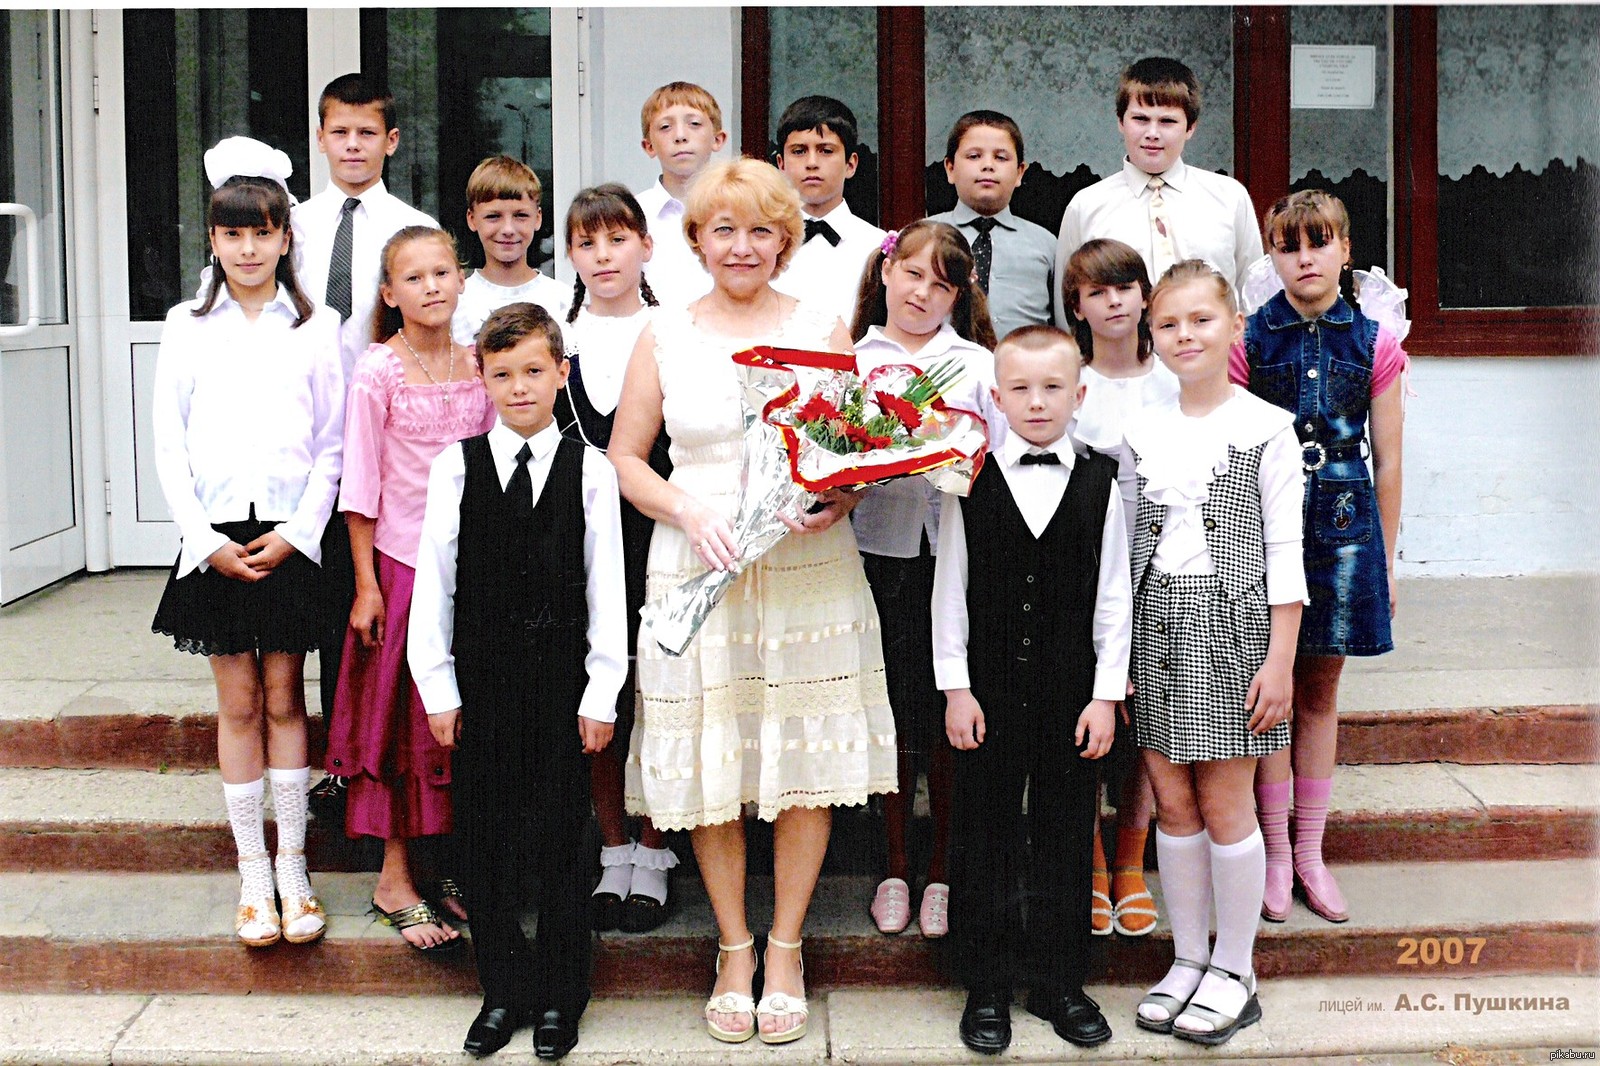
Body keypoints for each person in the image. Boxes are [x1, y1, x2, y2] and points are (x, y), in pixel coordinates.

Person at [609, 158, 896, 1046]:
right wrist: (686, 508)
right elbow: (625, 459)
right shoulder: (663, 331)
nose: (742, 246)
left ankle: (786, 948)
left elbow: (852, 453)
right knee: (712, 762)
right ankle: (733, 946)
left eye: (761, 230)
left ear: (786, 241)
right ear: (697, 240)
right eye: (724, 229)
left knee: (802, 756)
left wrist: (841, 499)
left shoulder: (820, 326)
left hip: (805, 570)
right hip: (697, 562)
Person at [409, 303, 627, 1060]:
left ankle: (564, 995)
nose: (521, 387)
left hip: (562, 687)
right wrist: (439, 688)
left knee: (565, 841)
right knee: (485, 840)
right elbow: (433, 586)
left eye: (535, 371)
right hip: (483, 685)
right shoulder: (456, 466)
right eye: (503, 374)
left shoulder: (591, 470)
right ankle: (502, 991)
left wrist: (602, 691)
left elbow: (606, 590)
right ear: (483, 378)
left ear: (561, 372)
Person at [151, 136, 343, 948]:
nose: (249, 248)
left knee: (286, 699)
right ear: (213, 239)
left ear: (285, 235)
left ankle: (294, 867)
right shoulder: (186, 326)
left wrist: (299, 534)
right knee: (237, 705)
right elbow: (169, 442)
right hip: (218, 541)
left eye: (263, 232)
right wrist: (203, 540)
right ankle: (253, 876)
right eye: (233, 234)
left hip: (290, 538)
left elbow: (332, 443)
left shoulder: (318, 325)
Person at [1125, 259, 1305, 1045]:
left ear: (1234, 325)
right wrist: (1118, 654)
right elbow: (1124, 548)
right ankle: (1188, 957)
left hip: (1233, 630)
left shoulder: (1265, 428)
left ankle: (1236, 968)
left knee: (1228, 803)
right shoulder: (1142, 430)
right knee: (1172, 801)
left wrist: (1280, 659)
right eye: (1168, 324)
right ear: (1152, 335)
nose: (1185, 335)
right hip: (1156, 625)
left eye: (1201, 319)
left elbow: (1286, 554)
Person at [936, 324, 1128, 1054]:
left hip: (1070, 694)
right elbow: (949, 590)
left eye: (1052, 388)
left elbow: (1113, 597)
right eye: (1020, 388)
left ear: (1080, 395)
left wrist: (1105, 695)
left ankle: (1059, 982)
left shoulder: (1101, 482)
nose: (1037, 402)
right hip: (985, 693)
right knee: (982, 831)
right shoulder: (967, 477)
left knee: (1064, 833)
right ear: (996, 396)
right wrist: (955, 687)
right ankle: (984, 983)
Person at [1233, 190, 1406, 924]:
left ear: (1345, 250)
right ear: (1272, 256)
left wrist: (1386, 561)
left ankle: (1310, 851)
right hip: (1264, 532)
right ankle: (1274, 854)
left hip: (1344, 530)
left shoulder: (1375, 342)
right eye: (1289, 246)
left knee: (1320, 691)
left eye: (1320, 242)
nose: (1305, 258)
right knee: (1269, 692)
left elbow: (1389, 461)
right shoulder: (1248, 339)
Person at [324, 225, 495, 954]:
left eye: (442, 272)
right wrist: (366, 585)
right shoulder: (379, 370)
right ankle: (395, 877)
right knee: (401, 720)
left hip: (471, 566)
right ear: (390, 294)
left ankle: (448, 862)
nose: (431, 287)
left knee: (457, 718)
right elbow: (361, 486)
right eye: (414, 277)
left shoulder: (480, 361)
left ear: (461, 280)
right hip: (400, 565)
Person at [847, 220, 996, 941]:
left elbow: (995, 457)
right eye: (912, 275)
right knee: (893, 713)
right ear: (885, 272)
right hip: (877, 554)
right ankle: (895, 867)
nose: (922, 294)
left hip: (954, 557)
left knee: (945, 715)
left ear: (958, 295)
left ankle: (941, 871)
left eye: (941, 285)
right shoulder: (852, 359)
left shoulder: (975, 363)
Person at [295, 73, 438, 819]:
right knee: (328, 607)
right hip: (311, 435)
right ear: (320, 138)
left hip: (390, 436)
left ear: (391, 141)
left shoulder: (411, 229)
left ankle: (387, 753)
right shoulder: (291, 226)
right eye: (340, 132)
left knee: (379, 601)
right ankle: (334, 756)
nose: (353, 146)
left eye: (367, 133)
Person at [553, 184, 679, 933]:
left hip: (659, 535)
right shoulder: (556, 340)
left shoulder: (674, 333)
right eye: (587, 243)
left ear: (646, 246)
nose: (603, 256)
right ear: (570, 255)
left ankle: (657, 847)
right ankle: (612, 845)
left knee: (658, 691)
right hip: (577, 544)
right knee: (596, 689)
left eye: (617, 239)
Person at [1062, 237, 1179, 939]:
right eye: (1096, 292)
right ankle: (1093, 863)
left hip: (1164, 572)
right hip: (1085, 573)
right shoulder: (1070, 384)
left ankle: (1132, 858)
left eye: (1125, 288)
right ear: (1076, 306)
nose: (1113, 302)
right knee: (1086, 712)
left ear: (1144, 296)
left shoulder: (1172, 379)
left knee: (1148, 724)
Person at [1054, 56, 1263, 312]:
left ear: (1190, 127)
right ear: (1121, 121)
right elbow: (1067, 306)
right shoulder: (1086, 206)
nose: (1152, 133)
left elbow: (1253, 295)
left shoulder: (1229, 197)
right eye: (1140, 119)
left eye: (1167, 121)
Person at [927, 110, 1056, 343]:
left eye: (1001, 158)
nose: (988, 165)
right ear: (950, 168)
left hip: (1025, 363)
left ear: (1020, 172)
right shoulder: (923, 237)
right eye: (974, 156)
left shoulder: (1046, 245)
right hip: (940, 365)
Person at [771, 95, 887, 324]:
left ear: (851, 164)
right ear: (781, 164)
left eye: (826, 150)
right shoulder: (761, 244)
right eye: (799, 151)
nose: (812, 162)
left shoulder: (877, 246)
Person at [451, 156, 569, 346]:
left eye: (520, 215)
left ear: (538, 218)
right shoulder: (456, 302)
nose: (508, 229)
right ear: (472, 219)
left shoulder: (562, 299)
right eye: (493, 216)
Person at [635, 81, 727, 309]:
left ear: (718, 139)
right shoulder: (631, 214)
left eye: (694, 124)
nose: (680, 136)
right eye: (665, 127)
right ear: (649, 146)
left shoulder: (742, 208)